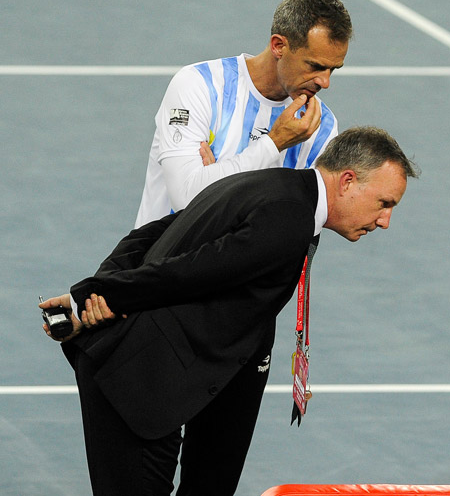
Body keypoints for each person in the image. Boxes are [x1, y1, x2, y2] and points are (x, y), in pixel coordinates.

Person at [40, 126, 419, 496]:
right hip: (134, 382)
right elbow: (191, 273)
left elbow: (155, 232)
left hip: (175, 376)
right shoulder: (290, 217)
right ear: (348, 181)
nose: (385, 221)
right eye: (384, 203)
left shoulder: (272, 185)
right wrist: (92, 298)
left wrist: (93, 291)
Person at [135, 0, 353, 228]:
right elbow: (187, 198)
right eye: (315, 66)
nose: (325, 82)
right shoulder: (199, 85)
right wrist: (274, 143)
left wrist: (216, 182)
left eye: (333, 69)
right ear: (278, 46)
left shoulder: (322, 126)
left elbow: (300, 225)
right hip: (160, 251)